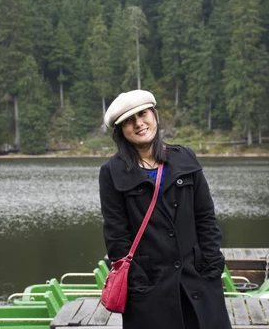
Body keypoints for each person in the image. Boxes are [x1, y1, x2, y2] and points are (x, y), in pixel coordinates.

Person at [99, 90, 231, 329]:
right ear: (121, 130)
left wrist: (211, 264)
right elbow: (117, 236)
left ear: (155, 115)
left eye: (143, 114)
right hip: (150, 287)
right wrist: (138, 281)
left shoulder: (184, 158)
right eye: (129, 120)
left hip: (197, 279)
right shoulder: (112, 172)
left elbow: (206, 217)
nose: (139, 123)